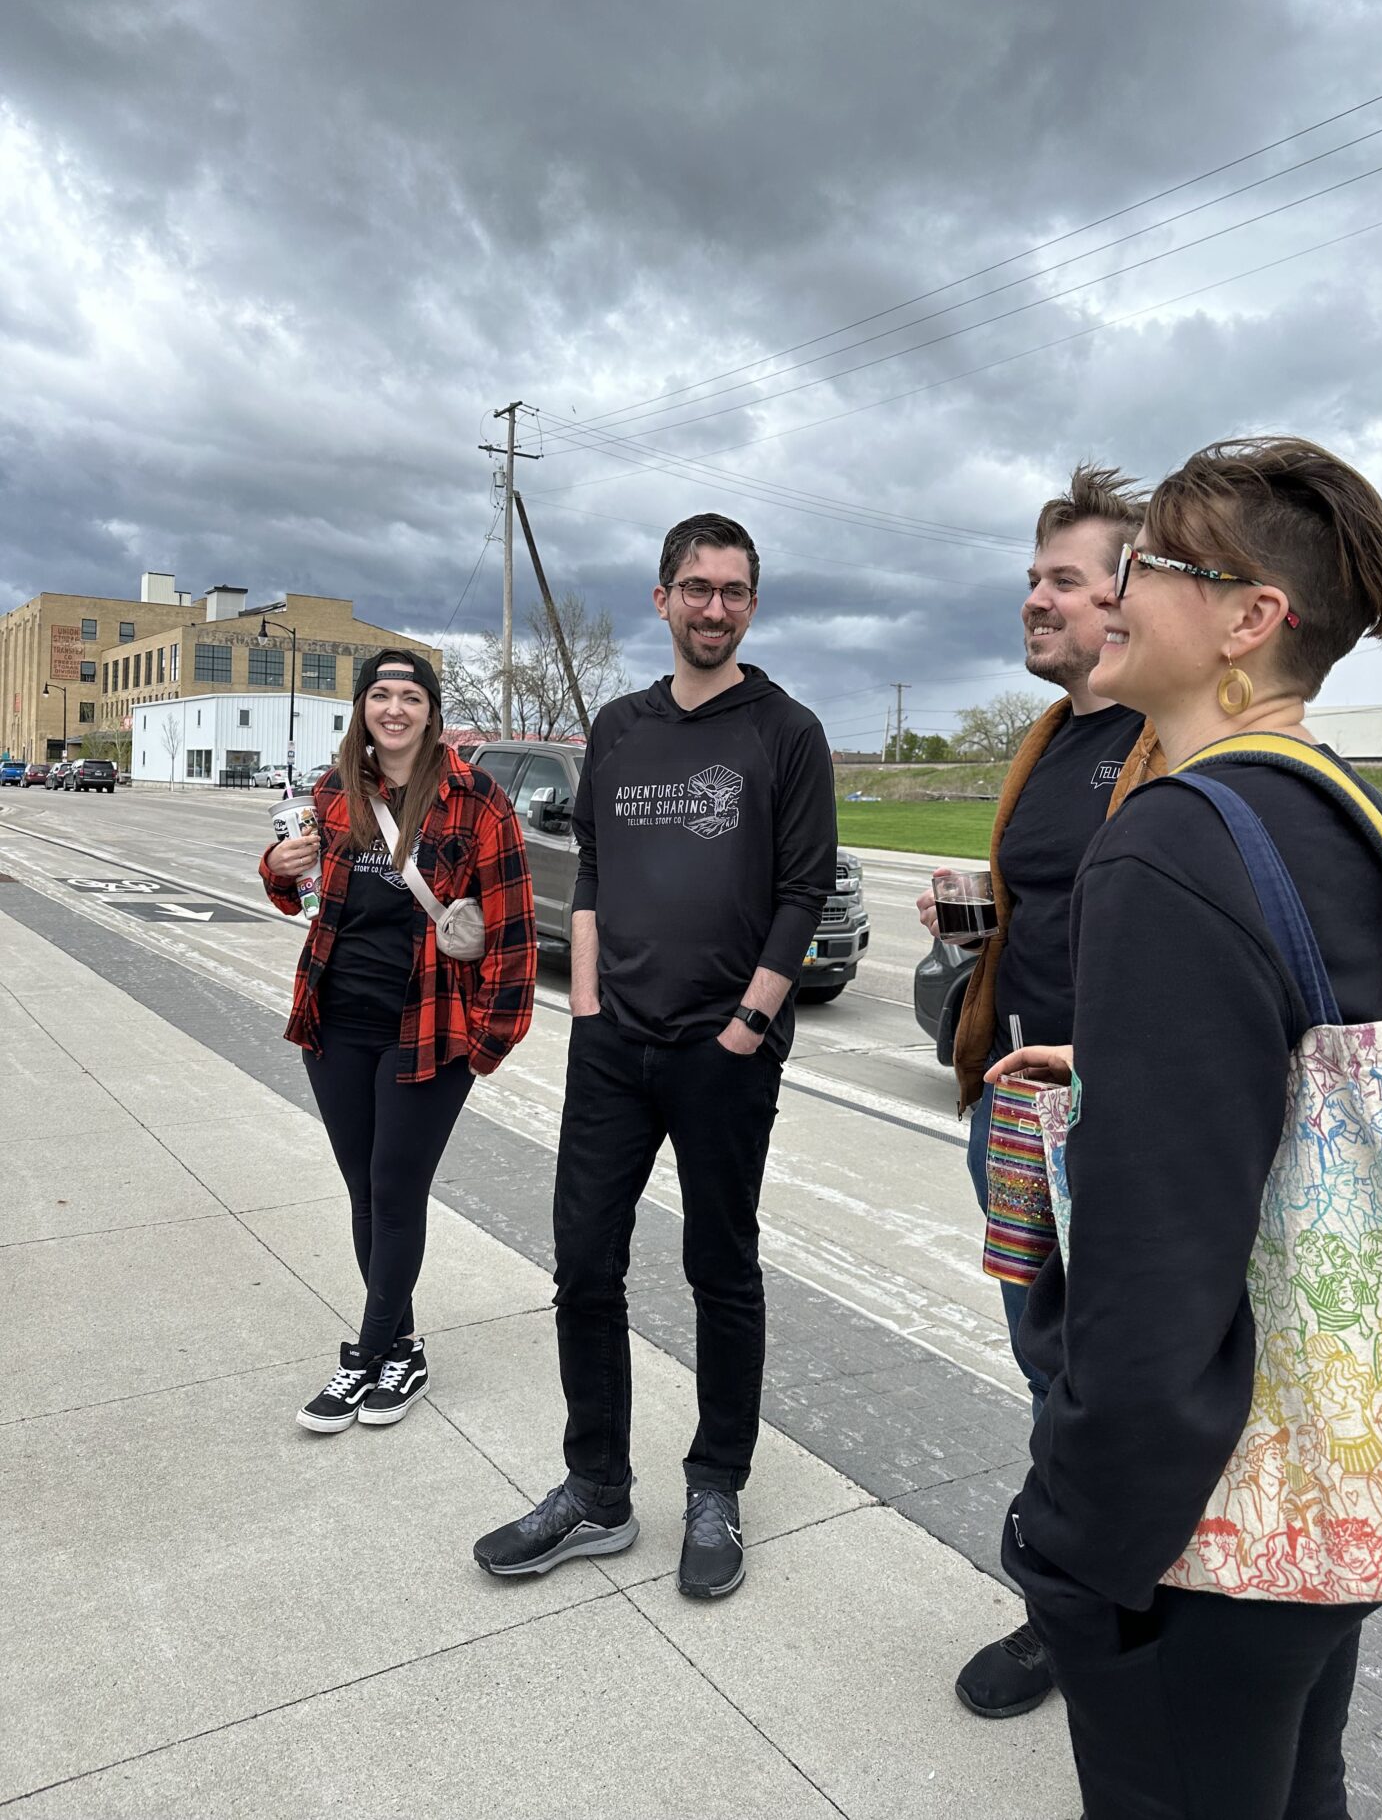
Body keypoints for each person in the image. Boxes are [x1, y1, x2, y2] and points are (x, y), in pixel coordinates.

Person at [995, 438, 1382, 1818]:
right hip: (1340, 1464)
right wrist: (1126, 1061)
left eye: (1147, 565)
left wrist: (1071, 1539)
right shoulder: (1346, 815)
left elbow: (1156, 1270)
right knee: (1302, 1786)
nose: (1114, 591)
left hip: (1211, 1505)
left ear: (1248, 620)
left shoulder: (1173, 839)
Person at [473, 513, 836, 1600]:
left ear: (752, 605)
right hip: (612, 1046)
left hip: (723, 1052)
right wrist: (585, 999)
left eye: (732, 589)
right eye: (694, 586)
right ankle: (596, 1488)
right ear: (661, 598)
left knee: (719, 1268)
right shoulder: (620, 730)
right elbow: (592, 874)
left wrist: (747, 1020)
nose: (712, 605)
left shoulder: (786, 730)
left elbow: (803, 890)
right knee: (584, 1265)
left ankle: (716, 1481)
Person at [914, 464, 1159, 1719]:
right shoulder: (1051, 738)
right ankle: (1066, 1611)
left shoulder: (1171, 739)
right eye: (1031, 576)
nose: (1034, 599)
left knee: (1121, 1383)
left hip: (1121, 1120)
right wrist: (979, 920)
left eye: (1062, 578)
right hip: (1016, 1107)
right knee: (1042, 1366)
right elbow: (1049, 906)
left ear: (1133, 593)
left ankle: (1125, 1615)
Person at [261, 650, 536, 1434]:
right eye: (379, 694)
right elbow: (296, 893)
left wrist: (488, 1043)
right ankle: (404, 1350)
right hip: (335, 1019)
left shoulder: (477, 801)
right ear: (361, 707)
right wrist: (279, 868)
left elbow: (514, 936)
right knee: (364, 1191)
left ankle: (365, 1354)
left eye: (409, 696)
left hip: (430, 1026)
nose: (393, 708)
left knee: (397, 1185)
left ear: (431, 711)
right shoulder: (329, 790)